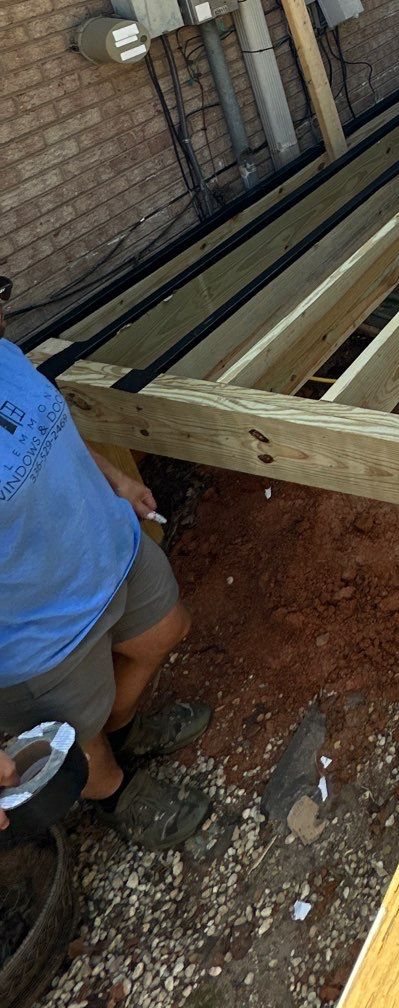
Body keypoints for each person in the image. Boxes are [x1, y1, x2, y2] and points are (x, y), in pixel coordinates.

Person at [0, 275, 212, 847]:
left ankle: (123, 732)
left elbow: (41, 428)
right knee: (76, 742)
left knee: (166, 629)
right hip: (41, 639)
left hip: (110, 550)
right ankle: (115, 792)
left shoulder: (2, 353)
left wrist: (115, 478)